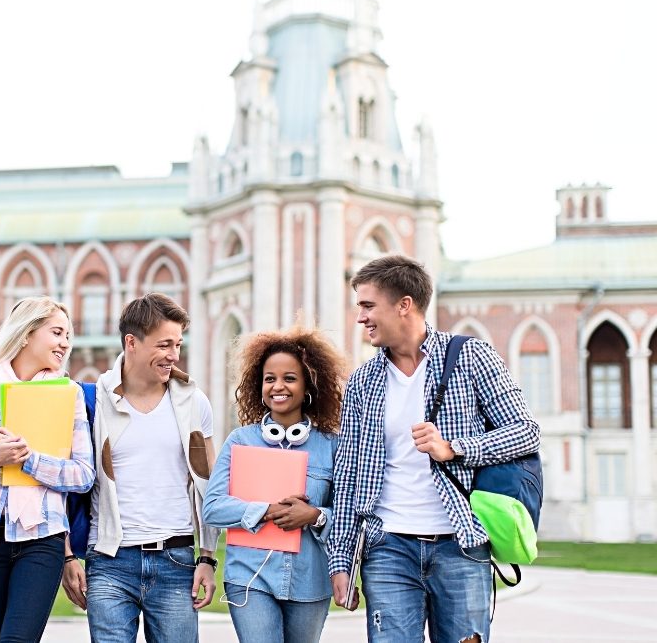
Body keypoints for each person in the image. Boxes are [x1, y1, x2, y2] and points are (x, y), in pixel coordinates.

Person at [328, 255, 541, 643]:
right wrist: (341, 561)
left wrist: (454, 449)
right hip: (387, 547)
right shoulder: (362, 382)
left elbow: (526, 432)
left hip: (460, 545)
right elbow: (347, 477)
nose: (360, 317)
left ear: (404, 305)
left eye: (368, 305)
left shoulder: (471, 357)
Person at [60, 292, 218, 643]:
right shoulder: (93, 399)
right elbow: (65, 483)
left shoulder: (194, 401)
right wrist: (67, 555)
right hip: (110, 564)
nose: (174, 355)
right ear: (131, 342)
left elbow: (208, 484)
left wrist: (207, 557)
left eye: (177, 344)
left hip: (176, 561)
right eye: (164, 345)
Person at [0, 296, 95, 643]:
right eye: (57, 332)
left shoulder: (68, 395)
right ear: (27, 334)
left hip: (42, 541)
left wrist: (30, 461)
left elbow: (84, 476)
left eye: (68, 335)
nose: (65, 343)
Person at [202, 326, 347, 643]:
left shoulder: (331, 447)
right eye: (270, 379)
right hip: (249, 577)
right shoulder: (240, 441)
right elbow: (212, 508)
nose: (278, 386)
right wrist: (266, 510)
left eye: (289, 378)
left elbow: (348, 516)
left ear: (308, 385)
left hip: (309, 581)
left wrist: (315, 516)